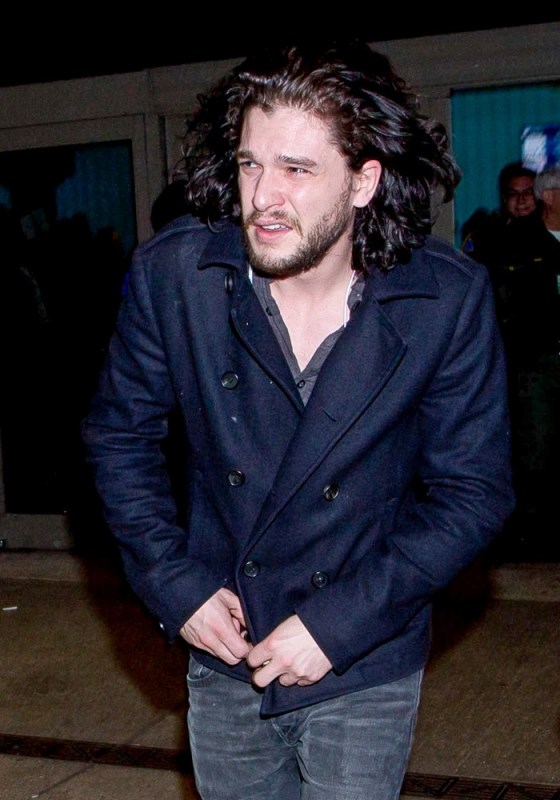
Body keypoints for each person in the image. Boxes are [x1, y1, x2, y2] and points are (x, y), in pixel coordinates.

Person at [82, 40, 514, 800]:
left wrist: (336, 626)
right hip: (225, 647)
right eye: (251, 164)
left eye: (297, 170)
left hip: (362, 654)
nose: (263, 197)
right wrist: (174, 583)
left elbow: (472, 493)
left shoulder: (442, 300)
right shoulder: (178, 276)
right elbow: (119, 438)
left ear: (363, 181)